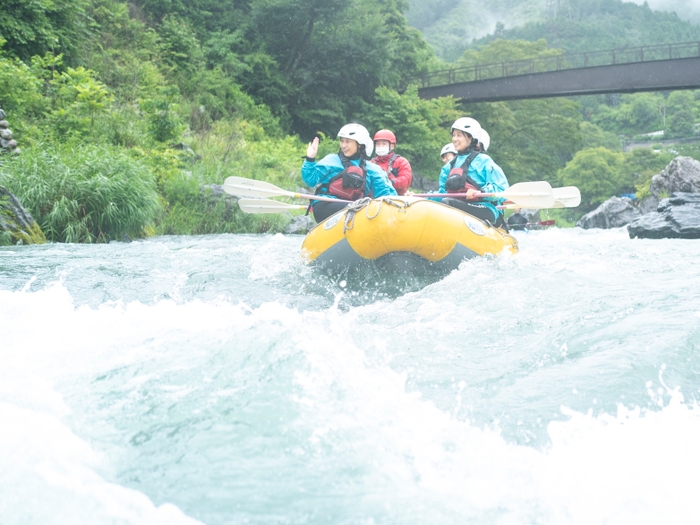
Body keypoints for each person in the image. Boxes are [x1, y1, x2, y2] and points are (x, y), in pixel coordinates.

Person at [302, 123, 397, 223]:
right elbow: (310, 180)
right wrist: (310, 159)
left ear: (359, 144)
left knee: (366, 209)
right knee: (360, 209)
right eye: (342, 141)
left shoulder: (372, 170)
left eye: (348, 141)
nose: (343, 145)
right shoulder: (332, 160)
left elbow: (387, 196)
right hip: (325, 206)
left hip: (356, 209)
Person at [435, 117, 509, 228]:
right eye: (454, 135)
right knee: (445, 202)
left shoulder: (484, 161)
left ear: (471, 138)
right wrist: (418, 199)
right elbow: (442, 194)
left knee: (447, 203)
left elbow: (503, 190)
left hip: (484, 208)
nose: (455, 139)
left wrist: (480, 191)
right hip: (456, 206)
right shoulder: (448, 167)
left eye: (459, 135)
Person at [370, 129, 412, 195]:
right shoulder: (371, 163)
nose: (380, 146)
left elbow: (405, 179)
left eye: (384, 144)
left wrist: (390, 182)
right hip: (376, 198)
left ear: (392, 146)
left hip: (397, 197)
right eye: (378, 144)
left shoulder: (401, 162)